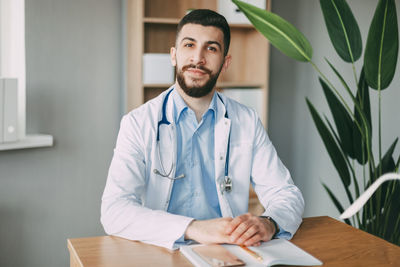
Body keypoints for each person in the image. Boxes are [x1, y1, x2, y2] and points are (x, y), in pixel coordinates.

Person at [101, 9, 304, 250]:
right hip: (162, 249)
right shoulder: (138, 123)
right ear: (174, 55)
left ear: (225, 62)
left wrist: (269, 223)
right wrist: (194, 228)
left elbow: (285, 193)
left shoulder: (246, 120)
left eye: (211, 48)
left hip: (228, 251)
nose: (198, 58)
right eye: (189, 45)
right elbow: (114, 210)